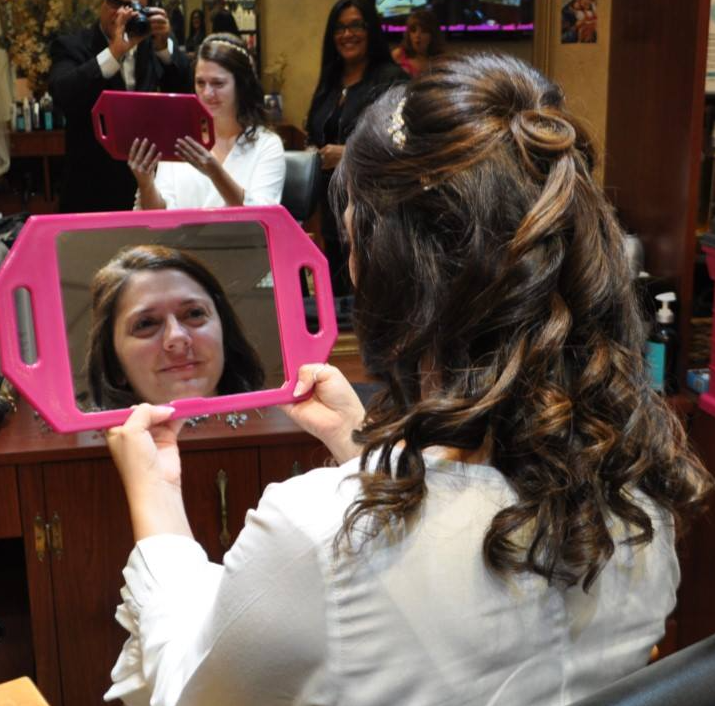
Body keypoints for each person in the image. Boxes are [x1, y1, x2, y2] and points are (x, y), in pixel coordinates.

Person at [103, 54, 713, 705]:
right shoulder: (638, 496)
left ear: (381, 267)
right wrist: (365, 448)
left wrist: (158, 506)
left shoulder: (321, 535)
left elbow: (189, 692)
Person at [49, 0, 192, 213]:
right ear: (103, 2)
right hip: (90, 184)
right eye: (115, 2)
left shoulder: (155, 45)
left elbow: (185, 95)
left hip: (148, 184)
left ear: (148, 10)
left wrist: (163, 48)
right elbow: (63, 95)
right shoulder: (72, 45)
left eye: (133, 6)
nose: (121, 12)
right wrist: (113, 53)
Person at [306, 0, 408, 296]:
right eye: (339, 28)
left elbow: (405, 142)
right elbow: (314, 129)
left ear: (371, 30)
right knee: (337, 294)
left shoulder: (392, 80)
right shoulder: (330, 80)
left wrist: (348, 153)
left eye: (355, 26)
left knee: (373, 293)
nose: (347, 34)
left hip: (375, 208)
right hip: (330, 208)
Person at [86, 244, 264, 410]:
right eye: (145, 324)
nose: (177, 337)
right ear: (115, 365)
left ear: (225, 335)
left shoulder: (284, 423)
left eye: (194, 314)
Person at [129, 32, 285, 209]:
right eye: (200, 83)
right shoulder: (179, 138)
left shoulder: (266, 144)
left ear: (241, 85)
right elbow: (160, 216)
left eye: (218, 84)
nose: (207, 94)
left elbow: (263, 216)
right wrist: (146, 183)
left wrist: (214, 172)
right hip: (182, 237)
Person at [391, 7, 444, 77]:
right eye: (413, 31)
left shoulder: (440, 60)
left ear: (433, 35)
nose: (417, 35)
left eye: (423, 31)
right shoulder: (398, 55)